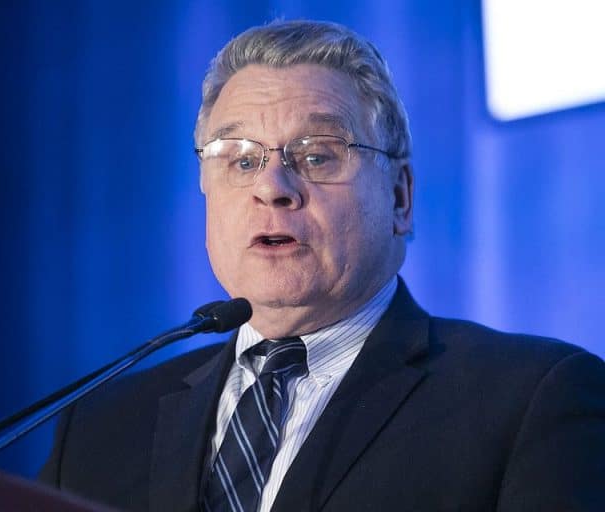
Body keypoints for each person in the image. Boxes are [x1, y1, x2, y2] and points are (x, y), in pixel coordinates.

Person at [40, 20, 605, 511]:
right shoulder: (97, 431)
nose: (272, 187)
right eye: (241, 160)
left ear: (400, 198)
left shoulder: (533, 401)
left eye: (316, 156)